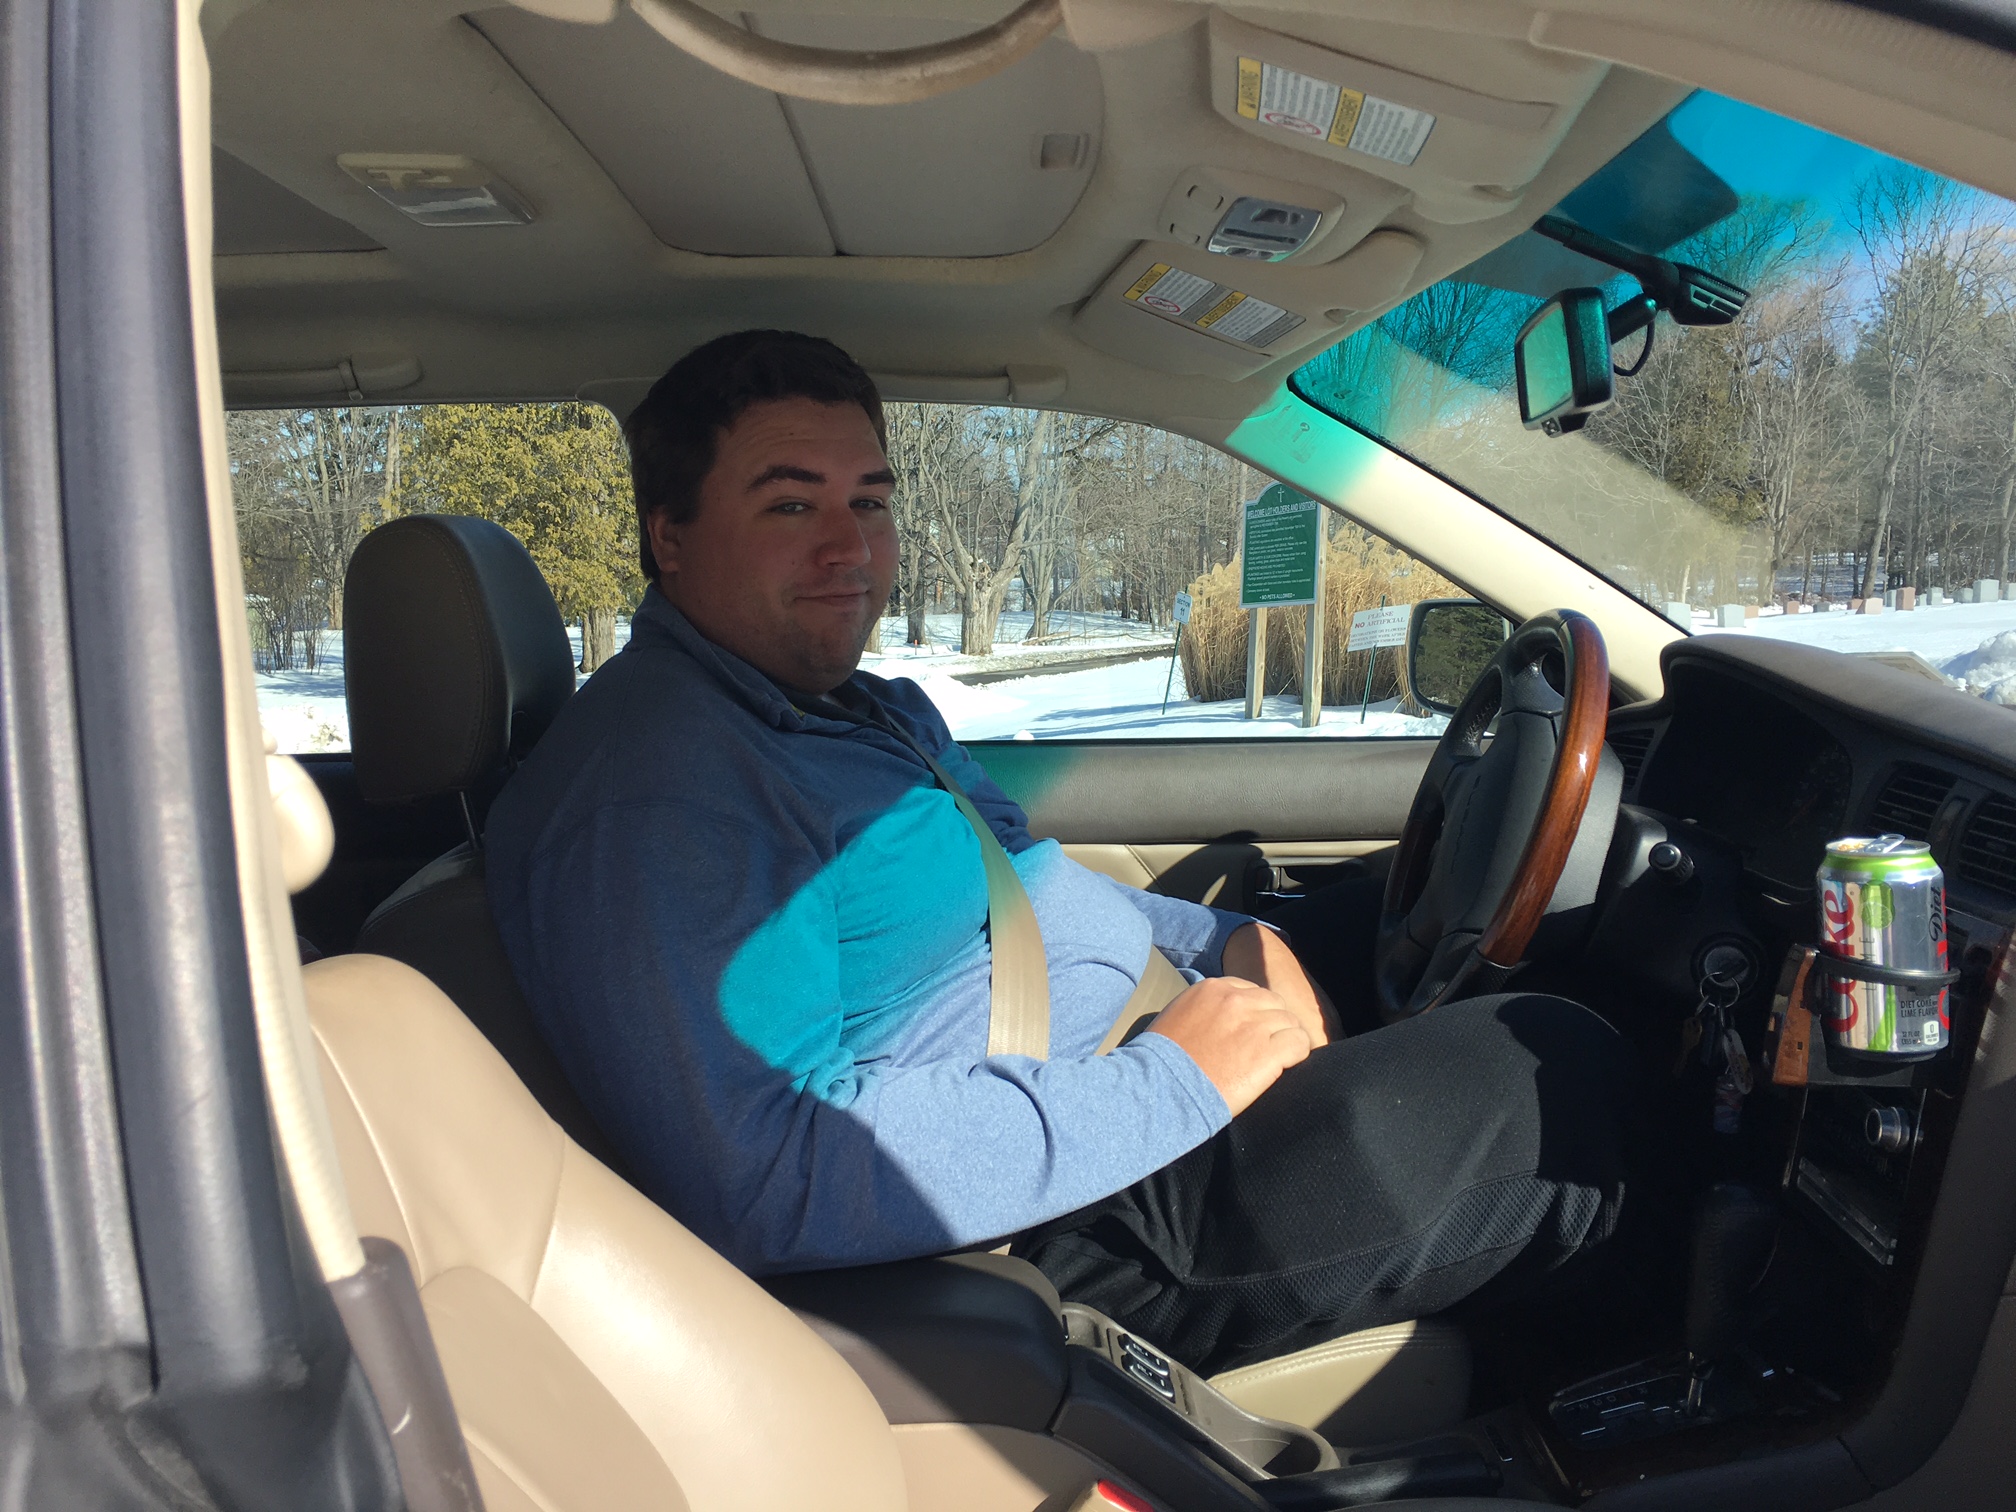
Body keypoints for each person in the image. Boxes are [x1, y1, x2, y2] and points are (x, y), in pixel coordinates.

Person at [484, 329, 1626, 1376]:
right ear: (668, 536)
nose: (851, 548)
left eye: (870, 502)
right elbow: (768, 1173)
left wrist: (1235, 938)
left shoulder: (852, 708)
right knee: (1554, 1077)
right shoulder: (657, 798)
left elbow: (1027, 877)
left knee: (1382, 904)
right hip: (1033, 1242)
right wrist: (1174, 1080)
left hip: (1106, 1095)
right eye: (791, 507)